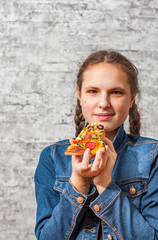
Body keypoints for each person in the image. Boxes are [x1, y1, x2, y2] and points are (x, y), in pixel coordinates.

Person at [34, 50, 158, 240]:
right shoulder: (52, 157)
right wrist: (79, 183)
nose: (103, 103)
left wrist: (105, 185)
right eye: (93, 91)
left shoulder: (152, 155)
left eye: (116, 92)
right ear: (80, 95)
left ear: (131, 98)